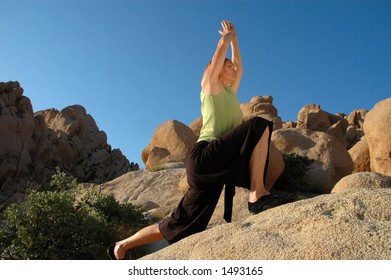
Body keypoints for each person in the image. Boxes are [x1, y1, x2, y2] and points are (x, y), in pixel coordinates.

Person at [107, 20, 296, 260]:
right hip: (205, 157)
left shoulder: (229, 92)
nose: (234, 69)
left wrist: (236, 39)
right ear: (215, 70)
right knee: (259, 124)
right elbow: (219, 55)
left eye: (233, 66)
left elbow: (240, 66)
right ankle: (257, 194)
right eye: (228, 66)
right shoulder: (209, 86)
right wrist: (225, 39)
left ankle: (122, 245)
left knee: (185, 225)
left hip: (216, 166)